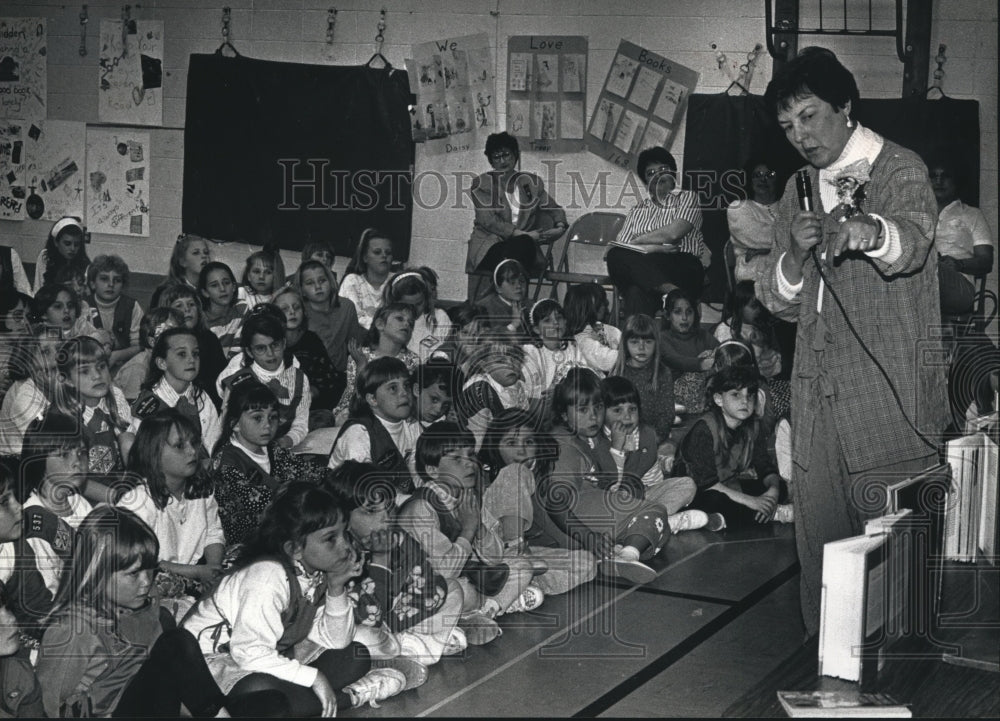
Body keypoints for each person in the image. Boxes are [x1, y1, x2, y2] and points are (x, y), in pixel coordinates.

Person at [756, 46, 948, 637]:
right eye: (788, 126)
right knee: (821, 552)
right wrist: (791, 253)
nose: (799, 136)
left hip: (888, 393)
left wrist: (874, 230)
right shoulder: (798, 188)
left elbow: (913, 241)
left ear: (845, 105)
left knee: (897, 561)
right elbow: (774, 297)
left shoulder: (900, 168)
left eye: (809, 116)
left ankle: (906, 683)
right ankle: (829, 681)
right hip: (815, 393)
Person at [181, 482, 407, 715]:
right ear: (295, 548)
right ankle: (351, 696)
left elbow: (336, 641)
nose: (345, 546)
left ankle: (303, 701)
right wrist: (315, 677)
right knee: (264, 695)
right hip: (210, 666)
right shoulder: (267, 576)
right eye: (331, 538)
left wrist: (336, 588)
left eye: (344, 533)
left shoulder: (316, 571)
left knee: (353, 657)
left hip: (266, 657)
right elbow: (248, 652)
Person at [37, 506, 236, 718]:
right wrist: (107, 691)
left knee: (266, 702)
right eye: (133, 574)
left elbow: (166, 683)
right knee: (176, 644)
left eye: (150, 569)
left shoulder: (145, 602)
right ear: (97, 572)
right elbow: (48, 708)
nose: (146, 581)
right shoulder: (73, 630)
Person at [541, 369, 671, 585]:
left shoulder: (591, 438)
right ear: (564, 414)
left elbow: (611, 480)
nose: (593, 416)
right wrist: (586, 536)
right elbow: (555, 501)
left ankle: (617, 554)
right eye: (583, 409)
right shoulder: (564, 445)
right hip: (571, 516)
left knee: (659, 528)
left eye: (599, 407)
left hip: (579, 520)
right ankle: (628, 554)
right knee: (654, 511)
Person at [118, 409, 225, 616]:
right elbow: (141, 562)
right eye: (179, 446)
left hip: (198, 570)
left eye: (194, 443)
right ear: (153, 453)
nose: (192, 452)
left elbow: (214, 532)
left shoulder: (199, 488)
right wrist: (197, 573)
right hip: (156, 576)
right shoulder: (138, 501)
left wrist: (213, 568)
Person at [210, 381, 330, 549]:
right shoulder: (226, 464)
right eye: (257, 418)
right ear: (235, 424)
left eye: (272, 417)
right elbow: (265, 506)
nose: (267, 425)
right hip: (250, 546)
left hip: (287, 531)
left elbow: (311, 472)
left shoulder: (272, 450)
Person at [676, 365, 793, 531]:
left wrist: (772, 492)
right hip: (695, 491)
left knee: (779, 487)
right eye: (736, 395)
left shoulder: (753, 427)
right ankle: (774, 515)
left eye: (750, 395)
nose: (745, 401)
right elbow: (706, 484)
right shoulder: (704, 429)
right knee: (714, 500)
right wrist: (752, 501)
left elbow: (765, 466)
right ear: (719, 399)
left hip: (729, 485)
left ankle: (733, 518)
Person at [605, 147, 710, 316]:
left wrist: (640, 242)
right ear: (646, 182)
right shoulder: (636, 211)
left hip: (682, 266)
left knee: (635, 280)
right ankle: (672, 294)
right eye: (650, 173)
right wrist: (656, 248)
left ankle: (670, 293)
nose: (657, 176)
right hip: (648, 274)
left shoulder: (688, 198)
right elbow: (621, 249)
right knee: (622, 269)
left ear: (673, 176)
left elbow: (674, 234)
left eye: (663, 170)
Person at [467, 132, 567, 301]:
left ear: (515, 155)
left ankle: (507, 303)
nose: (503, 161)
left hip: (522, 248)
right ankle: (514, 302)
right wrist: (524, 235)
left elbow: (554, 208)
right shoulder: (482, 184)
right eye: (496, 157)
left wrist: (560, 227)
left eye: (506, 154)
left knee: (521, 248)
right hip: (490, 247)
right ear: (491, 161)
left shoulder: (531, 182)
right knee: (523, 246)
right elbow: (488, 221)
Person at [217, 306, 311, 450]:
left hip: (284, 448)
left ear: (284, 343)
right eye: (261, 348)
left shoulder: (299, 379)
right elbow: (225, 428)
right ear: (249, 351)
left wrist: (288, 440)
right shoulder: (239, 383)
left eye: (275, 345)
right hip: (245, 452)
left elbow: (301, 423)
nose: (270, 353)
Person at [130, 327, 223, 456]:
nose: (191, 360)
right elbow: (144, 455)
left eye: (195, 353)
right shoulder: (148, 405)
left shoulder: (201, 396)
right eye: (182, 354)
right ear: (162, 363)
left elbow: (213, 443)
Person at [926, 156, 994, 317]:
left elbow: (986, 261)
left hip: (959, 286)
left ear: (956, 181)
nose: (939, 181)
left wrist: (959, 264)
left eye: (945, 175)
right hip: (921, 284)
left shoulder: (972, 214)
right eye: (934, 176)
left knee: (928, 264)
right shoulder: (917, 214)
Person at [158, 283, 227, 408]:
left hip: (208, 402)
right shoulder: (162, 342)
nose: (187, 309)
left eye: (191, 304)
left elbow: (221, 378)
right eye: (179, 305)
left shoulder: (209, 338)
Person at [614, 313, 675, 446]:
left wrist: (654, 440)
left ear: (656, 343)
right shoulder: (618, 372)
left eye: (648, 342)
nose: (641, 347)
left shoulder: (663, 373)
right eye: (634, 342)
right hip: (622, 436)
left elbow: (667, 414)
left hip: (654, 437)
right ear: (625, 344)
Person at [660, 288, 718, 415]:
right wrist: (703, 364)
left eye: (689, 312)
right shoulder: (662, 338)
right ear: (668, 315)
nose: (684, 318)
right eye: (677, 312)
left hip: (704, 395)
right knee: (708, 356)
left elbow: (722, 353)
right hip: (674, 396)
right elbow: (676, 360)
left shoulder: (703, 336)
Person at [727, 158, 783, 283]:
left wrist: (763, 250)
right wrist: (787, 245)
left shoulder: (788, 207)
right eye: (757, 175)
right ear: (750, 180)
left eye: (770, 175)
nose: (763, 180)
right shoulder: (738, 207)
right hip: (751, 276)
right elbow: (758, 238)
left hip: (785, 274)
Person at [84, 255, 144, 372]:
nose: (111, 284)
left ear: (123, 285)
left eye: (117, 280)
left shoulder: (132, 306)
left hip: (123, 365)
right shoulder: (83, 305)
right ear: (92, 284)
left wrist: (117, 356)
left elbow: (140, 346)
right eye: (104, 279)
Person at [114, 307, 183, 402]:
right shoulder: (138, 367)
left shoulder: (170, 361)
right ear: (152, 341)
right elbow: (131, 409)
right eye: (171, 335)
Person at [340, 229, 396, 329]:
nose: (384, 256)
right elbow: (352, 320)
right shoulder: (352, 281)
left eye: (388, 252)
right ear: (365, 257)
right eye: (377, 252)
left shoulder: (398, 282)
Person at [564, 283, 622, 375]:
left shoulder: (605, 328)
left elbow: (620, 337)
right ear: (585, 309)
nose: (605, 305)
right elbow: (610, 361)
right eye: (600, 303)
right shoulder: (582, 341)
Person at [199, 261, 247, 359]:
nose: (222, 289)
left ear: (234, 287)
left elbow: (238, 355)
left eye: (226, 283)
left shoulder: (242, 308)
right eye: (214, 285)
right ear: (205, 292)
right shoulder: (200, 320)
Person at [151, 233, 212, 307]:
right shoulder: (166, 291)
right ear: (182, 261)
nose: (204, 256)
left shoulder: (211, 289)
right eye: (196, 253)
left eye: (206, 252)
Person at [33, 216, 90, 293]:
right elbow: (39, 288)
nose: (72, 248)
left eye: (76, 244)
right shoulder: (46, 257)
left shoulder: (85, 264)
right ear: (56, 242)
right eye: (67, 243)